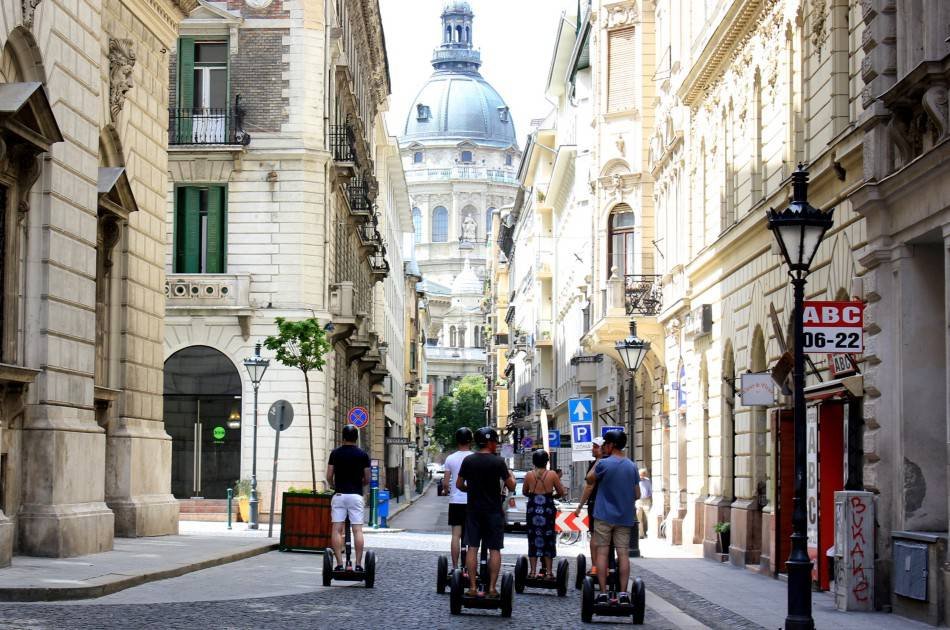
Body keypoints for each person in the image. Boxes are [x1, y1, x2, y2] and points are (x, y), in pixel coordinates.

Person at [456, 426, 515, 598]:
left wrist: (470, 490)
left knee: (472, 547)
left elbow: (459, 484)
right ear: (489, 443)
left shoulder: (468, 460)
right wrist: (510, 475)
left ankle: (473, 587)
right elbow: (511, 486)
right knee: (494, 549)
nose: (496, 444)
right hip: (493, 511)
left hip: (474, 510)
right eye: (495, 442)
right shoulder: (498, 462)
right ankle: (492, 588)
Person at [588, 429, 640, 605]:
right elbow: (637, 494)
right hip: (624, 517)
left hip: (603, 515)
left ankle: (603, 593)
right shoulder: (631, 466)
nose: (603, 447)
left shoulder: (603, 464)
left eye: (605, 444)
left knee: (602, 553)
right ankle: (623, 594)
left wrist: (599, 459)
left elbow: (589, 479)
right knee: (623, 554)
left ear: (611, 445)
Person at [326, 424, 371, 572]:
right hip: (355, 495)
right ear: (356, 438)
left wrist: (334, 485)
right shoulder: (363, 455)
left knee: (337, 530)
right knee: (357, 530)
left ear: (343, 437)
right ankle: (358, 564)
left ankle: (339, 564)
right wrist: (359, 484)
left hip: (339, 495)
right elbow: (367, 478)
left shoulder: (335, 453)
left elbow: (329, 476)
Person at [524, 449, 566, 579]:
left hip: (533, 508)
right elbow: (561, 492)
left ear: (534, 462)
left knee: (533, 538)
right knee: (548, 538)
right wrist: (552, 495)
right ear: (546, 462)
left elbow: (525, 491)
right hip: (547, 507)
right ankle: (548, 572)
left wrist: (534, 495)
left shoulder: (529, 474)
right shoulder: (552, 474)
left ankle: (532, 572)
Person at [442, 427, 474, 570]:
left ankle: (455, 567)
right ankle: (469, 567)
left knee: (456, 535)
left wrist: (445, 490)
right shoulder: (474, 457)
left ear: (457, 441)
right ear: (471, 441)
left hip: (456, 501)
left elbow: (446, 483)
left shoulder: (450, 458)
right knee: (471, 536)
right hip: (472, 501)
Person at [574, 436, 605, 574]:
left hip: (596, 503)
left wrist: (580, 506)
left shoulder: (599, 464)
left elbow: (589, 485)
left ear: (603, 448)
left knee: (595, 535)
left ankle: (595, 567)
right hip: (608, 504)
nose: (592, 449)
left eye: (595, 447)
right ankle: (605, 566)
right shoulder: (599, 463)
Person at [636, 468, 653, 539]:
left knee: (649, 516)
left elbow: (650, 490)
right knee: (638, 517)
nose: (641, 476)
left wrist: (649, 495)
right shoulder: (636, 481)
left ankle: (650, 533)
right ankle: (641, 534)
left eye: (643, 474)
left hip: (646, 501)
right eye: (640, 475)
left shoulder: (647, 481)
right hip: (639, 501)